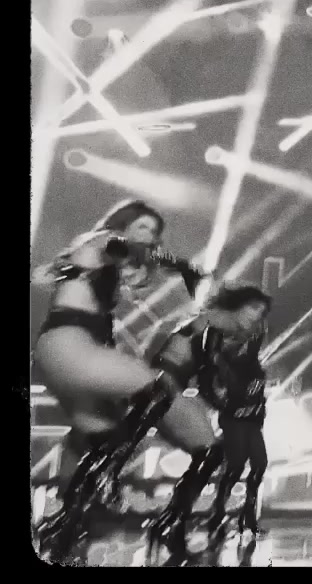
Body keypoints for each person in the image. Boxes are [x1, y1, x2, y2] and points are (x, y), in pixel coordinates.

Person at [31, 200, 216, 563]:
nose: (150, 236)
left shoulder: (104, 260)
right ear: (123, 224)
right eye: (142, 227)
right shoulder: (104, 240)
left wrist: (174, 269)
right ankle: (105, 481)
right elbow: (118, 246)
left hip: (64, 352)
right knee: (157, 391)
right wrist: (179, 264)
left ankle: (65, 530)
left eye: (154, 231)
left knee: (100, 437)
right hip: (71, 345)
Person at [148, 281, 273, 555]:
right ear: (238, 304)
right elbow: (206, 375)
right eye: (253, 308)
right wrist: (226, 402)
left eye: (261, 313)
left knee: (210, 455)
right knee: (210, 454)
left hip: (165, 386)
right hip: (163, 386)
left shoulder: (216, 325)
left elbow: (208, 372)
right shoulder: (215, 324)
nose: (256, 316)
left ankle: (172, 522)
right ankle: (172, 523)